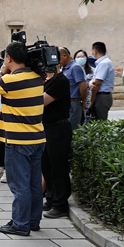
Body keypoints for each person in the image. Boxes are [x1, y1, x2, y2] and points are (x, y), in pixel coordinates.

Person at [0, 42, 46, 236]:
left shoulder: (9, 80)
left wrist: (2, 71)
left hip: (18, 140)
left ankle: (20, 224)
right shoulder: (37, 78)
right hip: (37, 138)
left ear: (8, 58)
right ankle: (33, 221)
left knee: (19, 184)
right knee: (34, 183)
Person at [42, 62, 73, 219]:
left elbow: (41, 102)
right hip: (45, 128)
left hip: (58, 128)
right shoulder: (45, 80)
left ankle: (60, 204)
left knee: (58, 167)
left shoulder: (60, 81)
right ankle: (51, 199)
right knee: (47, 167)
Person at [59, 47, 87, 130]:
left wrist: (84, 101)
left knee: (72, 129)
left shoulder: (75, 67)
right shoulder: (64, 68)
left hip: (74, 102)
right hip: (66, 103)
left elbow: (83, 87)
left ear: (64, 56)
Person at [87, 41, 114, 120]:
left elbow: (97, 84)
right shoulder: (103, 63)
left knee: (100, 121)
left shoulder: (103, 63)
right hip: (102, 96)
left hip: (102, 96)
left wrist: (92, 100)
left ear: (95, 51)